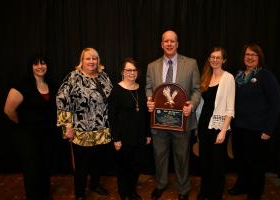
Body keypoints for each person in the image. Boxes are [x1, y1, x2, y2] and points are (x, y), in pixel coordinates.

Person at [146, 30, 201, 200]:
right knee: (160, 156)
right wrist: (149, 99)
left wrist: (191, 105)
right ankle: (161, 184)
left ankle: (183, 189)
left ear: (177, 44)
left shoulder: (191, 63)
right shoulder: (152, 66)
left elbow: (197, 90)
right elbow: (149, 88)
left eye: (172, 41)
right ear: (161, 44)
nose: (169, 44)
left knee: (182, 157)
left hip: (182, 121)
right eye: (166, 41)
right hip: (159, 121)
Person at [56, 47, 113, 200]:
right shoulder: (73, 77)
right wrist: (67, 126)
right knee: (81, 166)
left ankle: (95, 184)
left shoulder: (104, 77)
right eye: (88, 58)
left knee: (98, 162)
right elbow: (62, 100)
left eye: (94, 58)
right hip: (80, 130)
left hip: (101, 129)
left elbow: (112, 98)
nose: (91, 61)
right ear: (81, 61)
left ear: (98, 61)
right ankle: (80, 193)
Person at [229, 43, 280, 200]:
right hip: (238, 127)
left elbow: (276, 104)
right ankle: (242, 185)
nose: (249, 57)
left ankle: (255, 191)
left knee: (256, 164)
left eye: (253, 55)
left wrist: (268, 130)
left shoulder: (266, 75)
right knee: (241, 160)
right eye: (247, 54)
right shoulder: (238, 76)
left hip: (257, 129)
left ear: (259, 57)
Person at [4, 55, 57, 200]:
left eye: (43, 63)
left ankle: (45, 195)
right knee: (32, 170)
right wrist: (22, 124)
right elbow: (9, 110)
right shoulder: (22, 84)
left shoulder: (51, 84)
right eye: (36, 64)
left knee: (45, 167)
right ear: (31, 66)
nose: (40, 66)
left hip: (47, 135)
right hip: (28, 136)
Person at [108, 57, 151, 200]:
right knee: (123, 168)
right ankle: (124, 193)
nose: (132, 73)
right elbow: (112, 117)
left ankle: (132, 190)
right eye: (128, 70)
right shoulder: (116, 90)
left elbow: (145, 115)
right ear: (122, 72)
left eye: (134, 70)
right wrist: (116, 138)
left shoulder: (141, 88)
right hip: (123, 137)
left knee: (136, 166)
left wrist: (147, 134)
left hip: (139, 136)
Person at [196, 47, 235, 200]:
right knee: (204, 161)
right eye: (212, 57)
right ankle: (204, 191)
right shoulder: (206, 77)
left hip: (219, 127)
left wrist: (224, 131)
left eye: (218, 57)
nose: (215, 60)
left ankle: (215, 194)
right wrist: (198, 128)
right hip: (204, 125)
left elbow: (230, 109)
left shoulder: (228, 78)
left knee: (217, 164)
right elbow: (201, 105)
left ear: (223, 60)